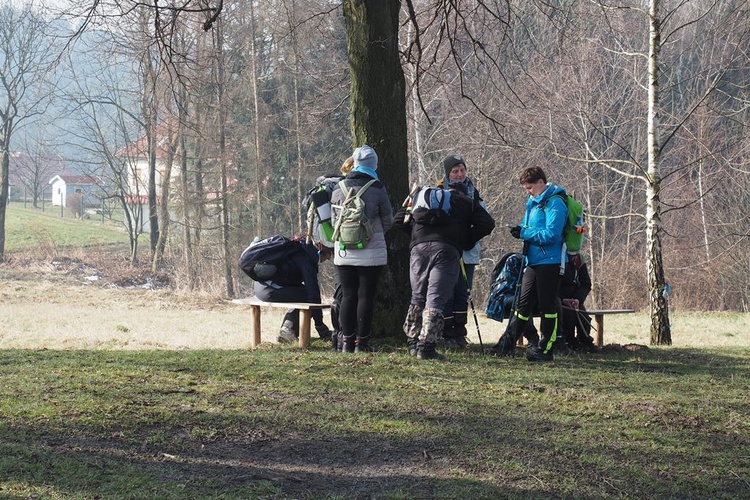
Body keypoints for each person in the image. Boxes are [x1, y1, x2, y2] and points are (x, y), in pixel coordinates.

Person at [394, 182, 495, 360]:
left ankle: (412, 342)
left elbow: (398, 220)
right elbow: (487, 223)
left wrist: (417, 237)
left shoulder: (424, 198)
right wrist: (465, 240)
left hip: (418, 249)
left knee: (418, 296)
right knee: (435, 299)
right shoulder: (467, 202)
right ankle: (426, 347)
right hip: (446, 251)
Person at [330, 145, 393, 353]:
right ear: (373, 165)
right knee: (366, 296)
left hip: (344, 251)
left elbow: (333, 220)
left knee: (348, 295)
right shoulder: (377, 187)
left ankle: (346, 342)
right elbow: (388, 220)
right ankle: (361, 343)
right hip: (371, 252)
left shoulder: (339, 187)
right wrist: (372, 235)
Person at [505, 166, 568, 362]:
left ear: (541, 182)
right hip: (533, 261)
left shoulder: (555, 203)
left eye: (530, 187)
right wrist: (519, 230)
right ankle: (507, 344)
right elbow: (528, 226)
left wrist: (524, 233)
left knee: (547, 305)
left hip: (551, 261)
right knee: (522, 304)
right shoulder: (532, 203)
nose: (528, 192)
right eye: (526, 189)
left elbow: (552, 234)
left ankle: (546, 349)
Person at [438, 154, 490, 350]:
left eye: (462, 170)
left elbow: (484, 221)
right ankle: (446, 333)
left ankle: (460, 333)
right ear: (448, 173)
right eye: (455, 171)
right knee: (447, 293)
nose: (459, 174)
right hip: (446, 252)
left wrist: (469, 239)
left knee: (462, 293)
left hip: (467, 252)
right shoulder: (439, 192)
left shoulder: (474, 193)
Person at [253, 239, 333, 343]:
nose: (329, 258)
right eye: (329, 253)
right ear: (320, 249)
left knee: (303, 293)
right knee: (308, 296)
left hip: (260, 286)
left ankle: (287, 330)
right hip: (269, 289)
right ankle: (288, 330)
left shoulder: (298, 249)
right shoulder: (306, 259)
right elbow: (313, 292)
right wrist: (320, 325)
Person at [559, 252, 600, 352]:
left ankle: (584, 341)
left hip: (574, 298)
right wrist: (562, 299)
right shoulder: (556, 257)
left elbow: (585, 283)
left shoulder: (579, 260)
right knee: (568, 317)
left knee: (583, 317)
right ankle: (570, 343)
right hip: (558, 299)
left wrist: (577, 299)